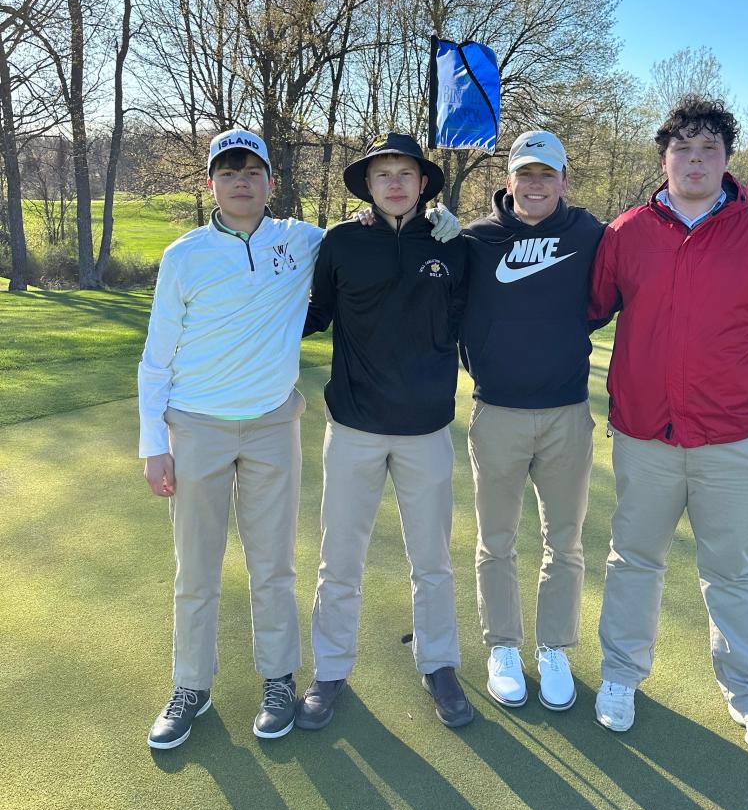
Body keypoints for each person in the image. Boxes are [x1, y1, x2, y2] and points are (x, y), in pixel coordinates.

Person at [139, 128, 458, 751]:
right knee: (196, 569)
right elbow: (155, 361)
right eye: (228, 172)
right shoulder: (185, 255)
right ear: (211, 183)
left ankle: (278, 678)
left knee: (274, 566)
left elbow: (383, 233)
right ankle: (190, 687)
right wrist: (154, 442)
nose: (240, 181)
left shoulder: (302, 240)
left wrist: (443, 217)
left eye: (251, 171)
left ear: (269, 182)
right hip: (196, 424)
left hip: (272, 423)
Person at [588, 96, 748, 761]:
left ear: (726, 161)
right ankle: (620, 678)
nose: (695, 162)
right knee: (634, 561)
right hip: (646, 438)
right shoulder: (625, 233)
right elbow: (578, 308)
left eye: (709, 151)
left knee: (733, 572)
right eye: (683, 151)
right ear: (664, 160)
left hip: (738, 442)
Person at [297, 133, 473, 731]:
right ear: (367, 187)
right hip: (354, 427)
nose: (395, 182)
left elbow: (466, 321)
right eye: (382, 175)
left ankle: (440, 664)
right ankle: (329, 670)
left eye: (406, 173)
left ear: (424, 184)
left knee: (432, 561)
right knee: (338, 560)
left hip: (426, 430)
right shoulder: (342, 243)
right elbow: (312, 315)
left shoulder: (453, 247)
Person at [459, 131, 606, 711]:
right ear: (509, 182)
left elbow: (609, 299)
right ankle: (502, 646)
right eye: (526, 174)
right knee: (495, 541)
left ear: (564, 181)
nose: (536, 184)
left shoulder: (590, 236)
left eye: (547, 174)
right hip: (496, 413)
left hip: (567, 413)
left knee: (564, 543)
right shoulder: (476, 241)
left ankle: (554, 648)